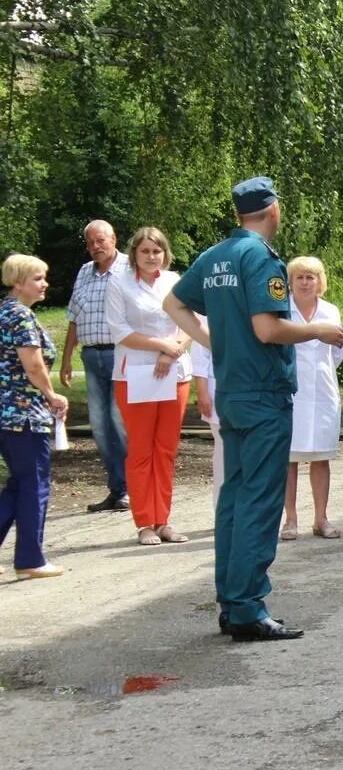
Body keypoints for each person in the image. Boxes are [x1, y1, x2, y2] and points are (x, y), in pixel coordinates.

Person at [165, 176, 343, 642]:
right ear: (273, 210)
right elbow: (269, 330)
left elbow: (173, 302)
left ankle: (231, 601)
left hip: (232, 391)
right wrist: (319, 332)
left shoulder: (214, 255)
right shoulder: (260, 257)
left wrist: (215, 342)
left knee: (234, 497)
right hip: (264, 393)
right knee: (261, 501)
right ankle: (247, 607)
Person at [105, 227, 192, 546]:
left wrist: (173, 352)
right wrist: (162, 345)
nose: (151, 257)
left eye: (157, 251)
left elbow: (190, 324)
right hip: (135, 374)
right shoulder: (119, 282)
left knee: (166, 450)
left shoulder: (175, 282)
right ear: (134, 254)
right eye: (145, 251)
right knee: (142, 450)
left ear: (165, 254)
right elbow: (120, 331)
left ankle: (163, 520)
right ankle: (144, 522)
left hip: (174, 373)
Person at [0, 254, 69, 578]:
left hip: (6, 414)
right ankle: (30, 559)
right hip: (24, 415)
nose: (45, 284)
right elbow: (33, 365)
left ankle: (28, 555)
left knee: (18, 484)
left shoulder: (4, 312)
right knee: (34, 484)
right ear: (18, 282)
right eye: (38, 278)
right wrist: (51, 394)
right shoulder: (21, 317)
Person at [61, 219, 129, 512]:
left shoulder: (129, 268)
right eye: (90, 243)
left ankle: (132, 488)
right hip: (91, 356)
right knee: (100, 427)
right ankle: (116, 488)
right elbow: (74, 317)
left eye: (100, 241)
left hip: (121, 354)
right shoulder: (84, 272)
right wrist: (66, 360)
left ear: (114, 238)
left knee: (120, 422)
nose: (95, 247)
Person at [280, 256, 342, 540]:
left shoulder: (331, 312)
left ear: (320, 281)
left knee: (321, 457)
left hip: (322, 392)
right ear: (290, 282)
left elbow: (338, 353)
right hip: (290, 390)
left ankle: (321, 518)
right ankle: (290, 519)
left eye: (311, 277)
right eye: (300, 277)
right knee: (288, 458)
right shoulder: (281, 311)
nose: (305, 282)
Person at [191, 327, 222, 506]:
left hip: (251, 386)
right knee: (224, 451)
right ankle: (222, 508)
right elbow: (200, 353)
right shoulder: (210, 307)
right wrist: (202, 392)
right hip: (217, 387)